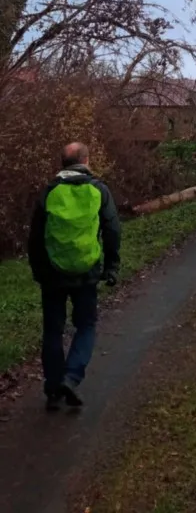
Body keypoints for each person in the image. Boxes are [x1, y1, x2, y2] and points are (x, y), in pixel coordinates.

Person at [27, 142, 121, 410]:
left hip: (53, 273)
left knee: (53, 330)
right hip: (86, 271)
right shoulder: (99, 190)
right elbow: (113, 230)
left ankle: (53, 388)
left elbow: (35, 237)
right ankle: (71, 377)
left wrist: (39, 270)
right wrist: (111, 266)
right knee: (86, 325)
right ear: (86, 161)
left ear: (62, 163)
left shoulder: (50, 191)